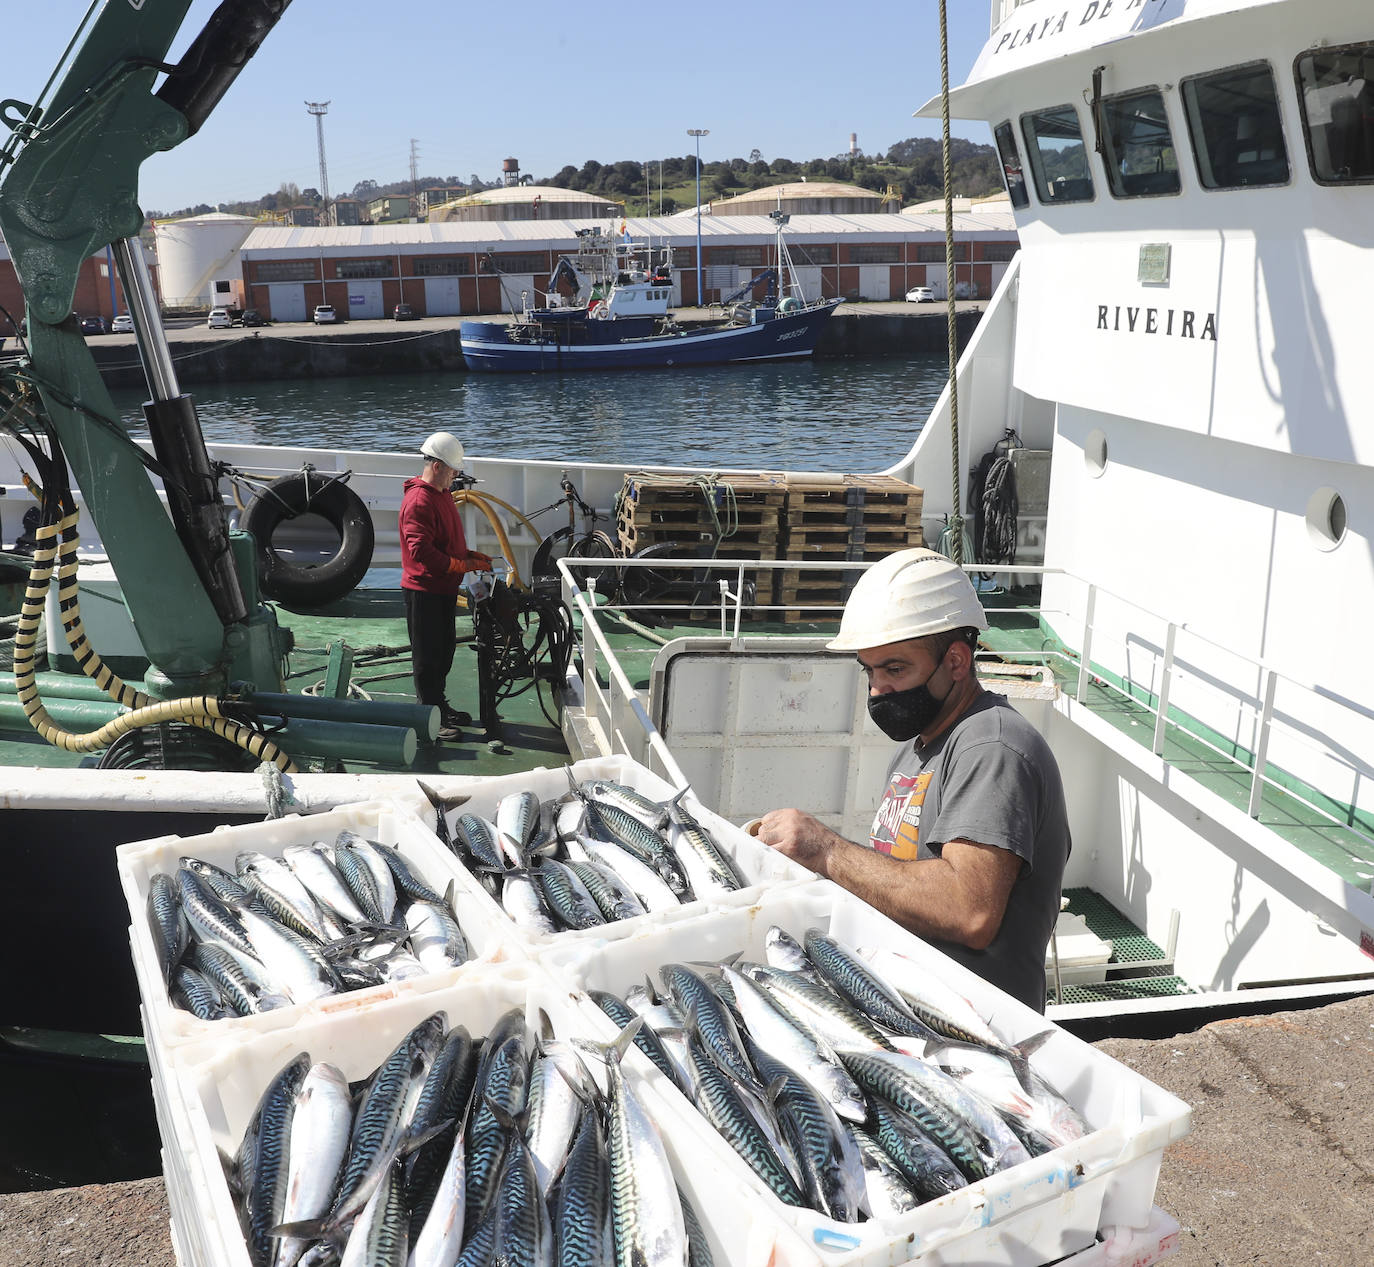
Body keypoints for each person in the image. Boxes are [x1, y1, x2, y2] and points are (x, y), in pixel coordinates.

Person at [754, 547, 1070, 1012]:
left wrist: (827, 850)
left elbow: (970, 910)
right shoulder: (918, 745)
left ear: (957, 662)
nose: (878, 690)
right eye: (870, 671)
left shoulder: (992, 748)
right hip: (906, 1011)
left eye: (895, 669)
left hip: (975, 1036)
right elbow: (895, 877)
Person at [399, 432, 492, 742]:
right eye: (453, 469)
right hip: (424, 590)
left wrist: (466, 557)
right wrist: (457, 565)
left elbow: (444, 541)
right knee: (427, 656)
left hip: (443, 589)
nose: (456, 475)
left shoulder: (440, 494)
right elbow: (420, 550)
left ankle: (438, 705)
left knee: (444, 651)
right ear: (437, 465)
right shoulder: (418, 500)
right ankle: (428, 714)